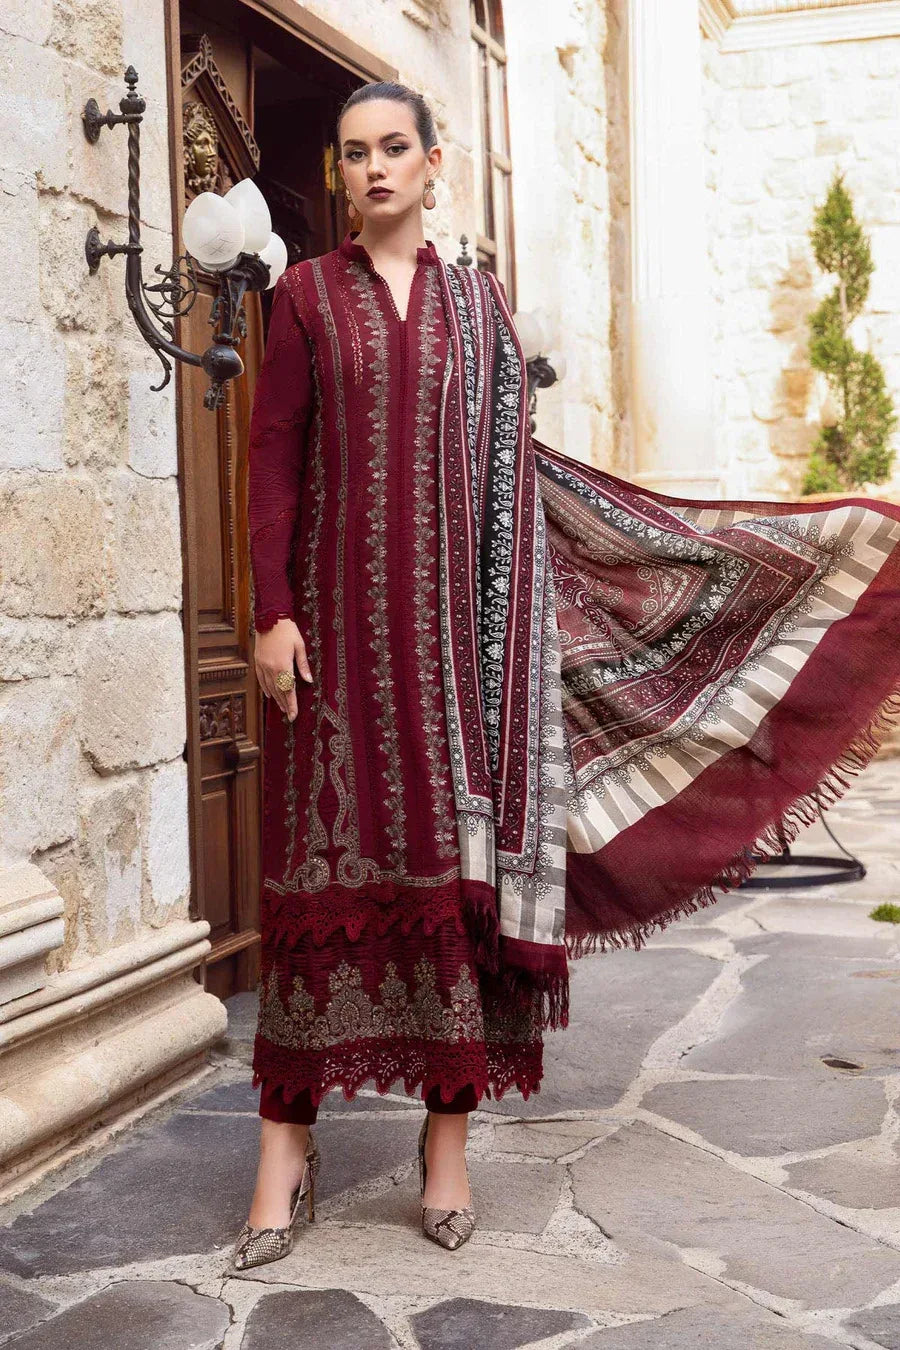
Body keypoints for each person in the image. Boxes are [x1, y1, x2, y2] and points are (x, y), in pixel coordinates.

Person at [232, 80, 900, 1272]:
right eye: (353, 155)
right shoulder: (302, 300)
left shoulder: (480, 307)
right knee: (311, 884)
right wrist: (271, 613)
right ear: (338, 176)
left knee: (456, 894)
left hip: (458, 669)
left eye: (395, 149)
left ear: (435, 165)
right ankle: (284, 1154)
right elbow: (274, 459)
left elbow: (512, 479)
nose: (375, 169)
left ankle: (447, 1150)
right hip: (333, 650)